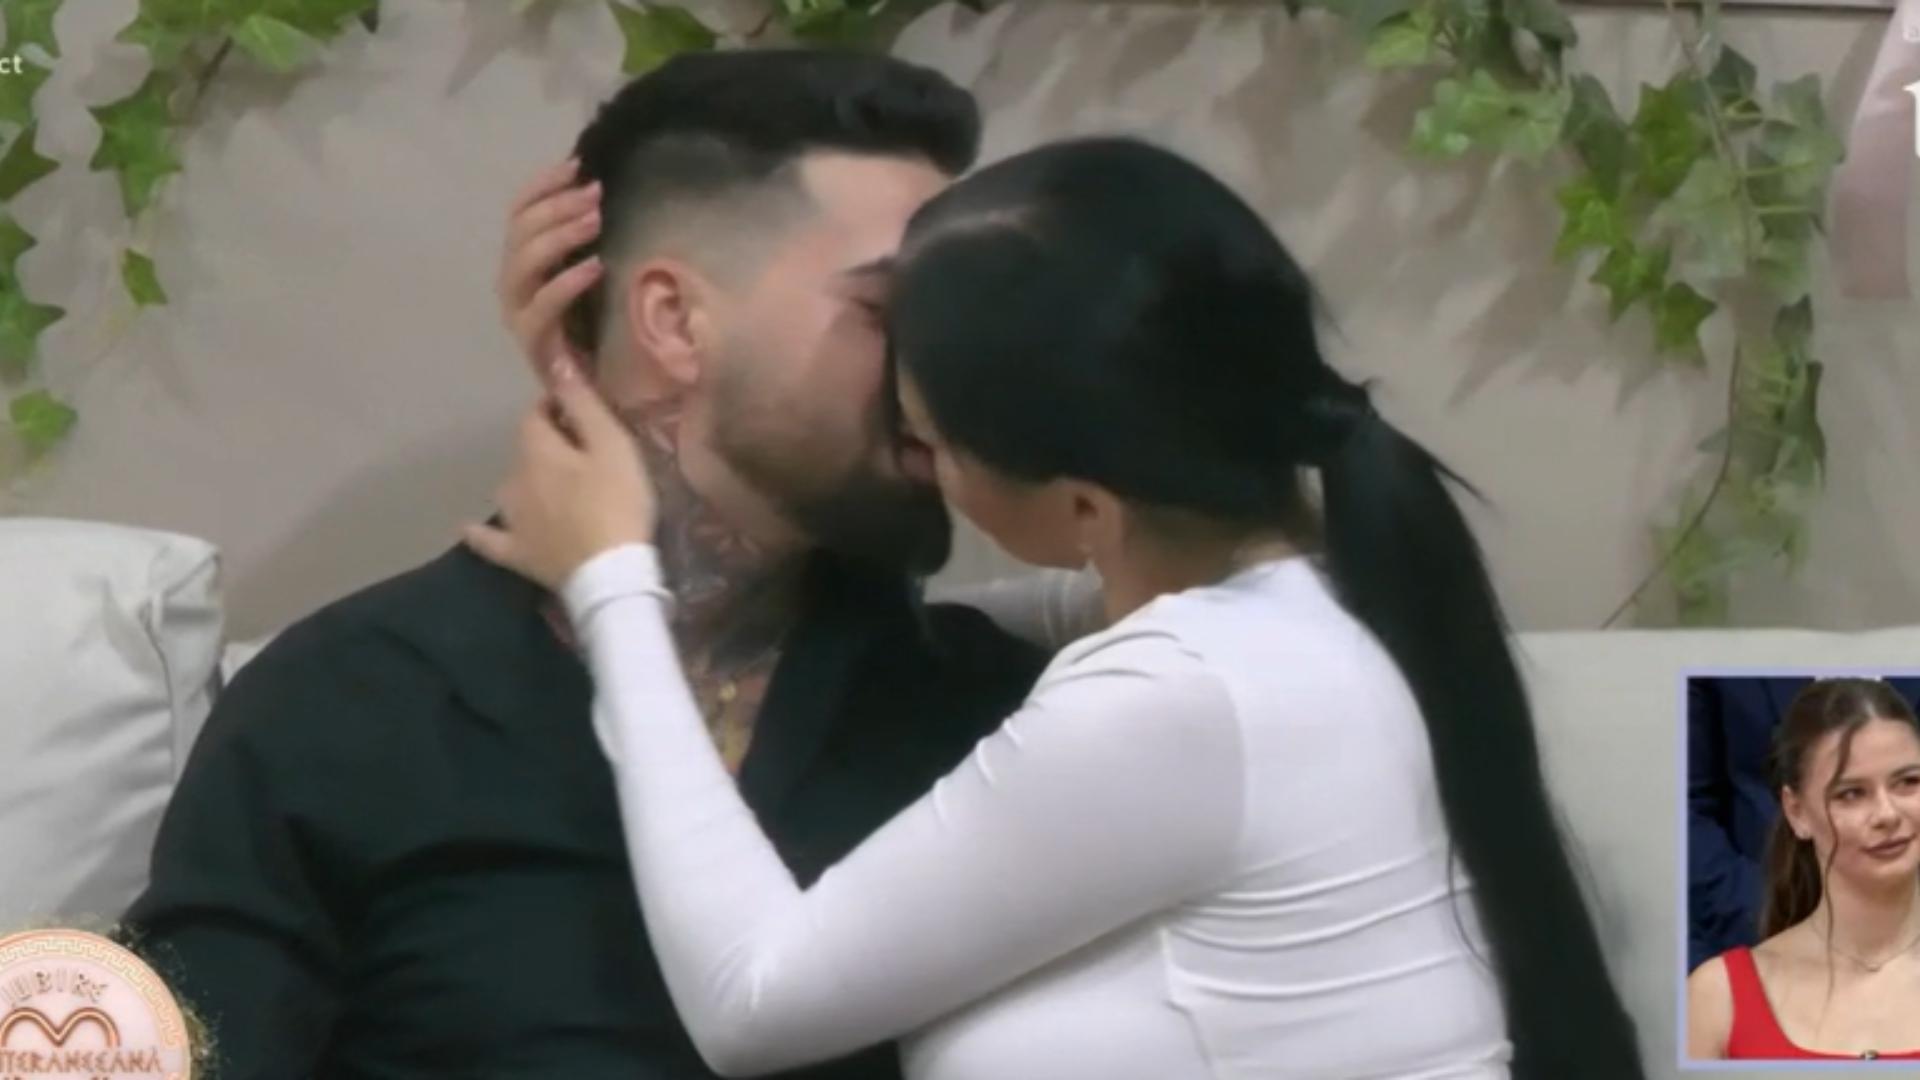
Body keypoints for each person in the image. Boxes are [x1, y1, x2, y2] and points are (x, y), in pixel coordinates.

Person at [469, 136, 1647, 1079]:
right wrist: (608, 394)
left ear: (1086, 506)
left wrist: (612, 579)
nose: (914, 463)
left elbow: (751, 1002)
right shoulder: (1319, 608)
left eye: (930, 441)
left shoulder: (1178, 698)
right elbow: (1010, 614)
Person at [118, 51, 1049, 1080]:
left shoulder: (996, 711)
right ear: (673, 320)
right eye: (891, 310)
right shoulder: (347, 706)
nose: (951, 366)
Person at [1688, 677, 1920, 1061]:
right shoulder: (1716, 997)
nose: (1887, 814)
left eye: (1908, 782)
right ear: (1797, 812)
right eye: (1851, 793)